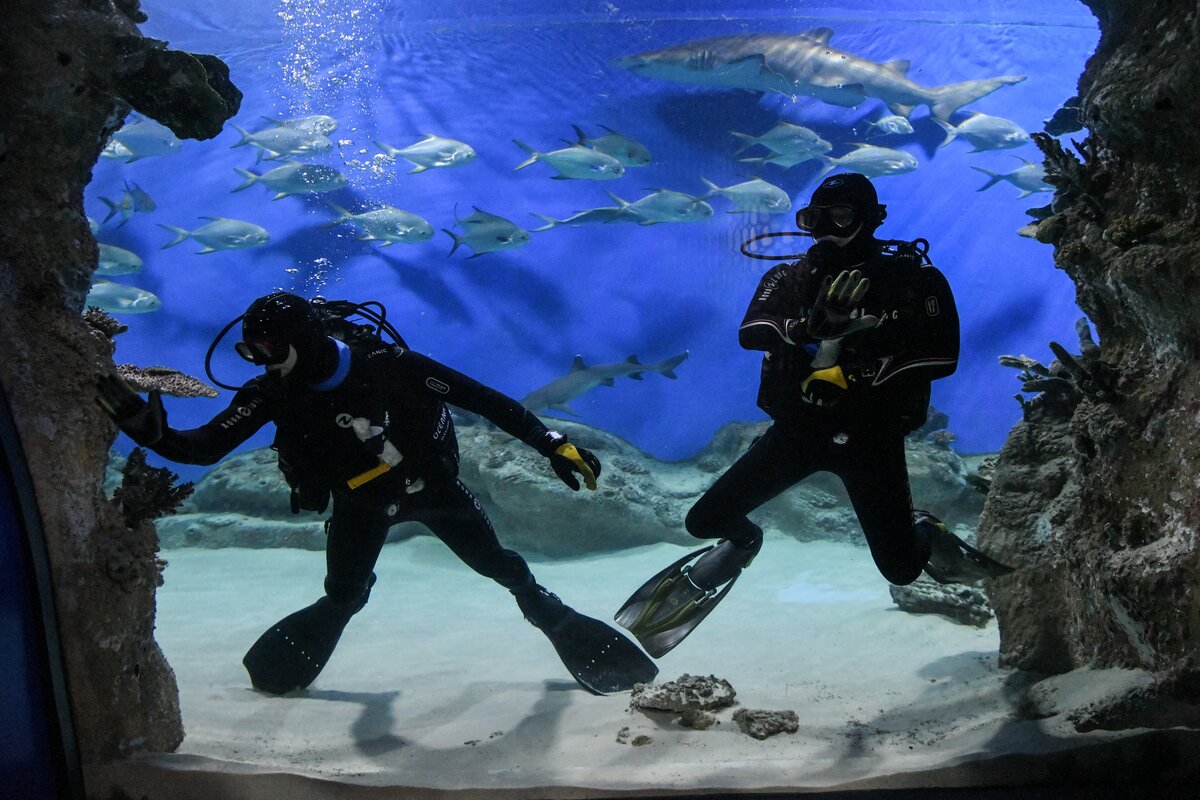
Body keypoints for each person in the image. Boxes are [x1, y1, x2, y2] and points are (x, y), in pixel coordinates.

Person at [97, 292, 657, 694]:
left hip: (431, 487)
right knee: (343, 596)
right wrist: (147, 430)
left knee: (504, 568)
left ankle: (545, 610)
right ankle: (337, 611)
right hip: (359, 501)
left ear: (303, 341)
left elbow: (485, 400)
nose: (261, 362)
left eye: (268, 348)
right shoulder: (270, 392)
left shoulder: (391, 366)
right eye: (251, 352)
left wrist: (553, 444)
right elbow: (202, 448)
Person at [616, 172, 1013, 658]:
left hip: (871, 439)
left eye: (839, 218)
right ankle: (743, 543)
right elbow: (752, 331)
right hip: (798, 433)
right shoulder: (788, 277)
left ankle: (924, 529)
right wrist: (809, 327)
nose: (824, 231)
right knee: (704, 521)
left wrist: (855, 372)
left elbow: (942, 356)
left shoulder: (915, 280)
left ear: (872, 219)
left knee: (902, 570)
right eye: (813, 219)